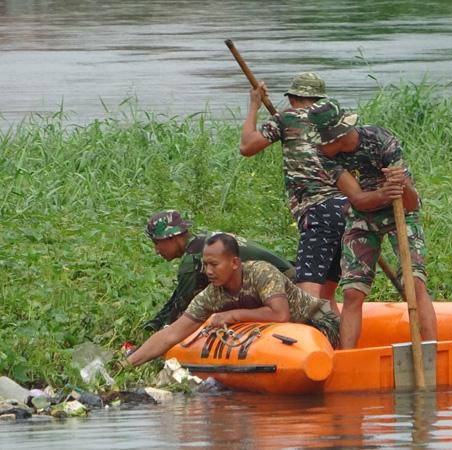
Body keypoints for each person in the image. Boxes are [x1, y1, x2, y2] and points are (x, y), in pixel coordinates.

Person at [309, 99, 438, 349]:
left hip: (400, 212)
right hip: (363, 215)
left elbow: (411, 204)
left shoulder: (380, 140)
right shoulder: (324, 156)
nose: (318, 146)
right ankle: (348, 357)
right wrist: (383, 193)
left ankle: (432, 349)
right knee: (352, 292)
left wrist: (400, 185)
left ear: (337, 136)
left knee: (414, 282)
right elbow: (358, 199)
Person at [123, 233, 340, 368]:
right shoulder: (212, 294)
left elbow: (280, 314)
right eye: (205, 265)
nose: (208, 271)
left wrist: (233, 315)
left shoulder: (261, 273)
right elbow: (171, 334)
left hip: (316, 324)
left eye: (214, 265)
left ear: (235, 263)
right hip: (282, 339)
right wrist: (128, 363)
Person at [239, 72, 347, 312]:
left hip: (318, 210)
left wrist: (254, 106)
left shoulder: (286, 118)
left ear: (293, 99)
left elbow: (247, 147)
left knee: (307, 291)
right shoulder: (337, 121)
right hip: (348, 207)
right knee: (328, 293)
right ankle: (336, 344)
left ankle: (311, 346)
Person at [142, 210, 295, 331]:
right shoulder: (204, 240)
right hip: (289, 275)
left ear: (172, 237)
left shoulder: (193, 259)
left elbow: (181, 308)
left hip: (287, 290)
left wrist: (162, 329)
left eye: (156, 242)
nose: (156, 250)